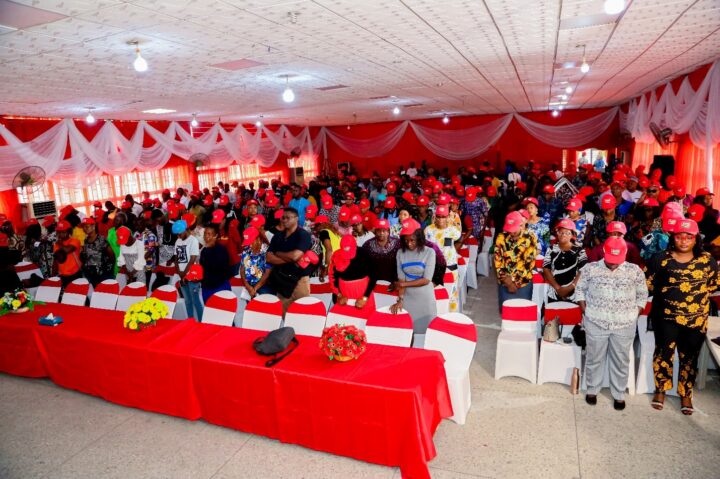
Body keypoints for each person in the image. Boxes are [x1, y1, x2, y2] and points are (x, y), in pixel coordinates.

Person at [645, 219, 718, 415]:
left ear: (696, 239)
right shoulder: (661, 258)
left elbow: (713, 285)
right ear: (673, 238)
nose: (684, 240)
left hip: (695, 320)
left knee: (689, 357)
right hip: (665, 317)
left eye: (689, 236)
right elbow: (649, 284)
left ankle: (685, 393)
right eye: (679, 236)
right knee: (663, 354)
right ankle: (660, 390)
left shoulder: (707, 260)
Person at [575, 237, 648, 410]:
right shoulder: (590, 269)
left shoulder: (635, 270)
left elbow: (642, 294)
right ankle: (592, 389)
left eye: (618, 260)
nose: (614, 265)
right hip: (596, 322)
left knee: (621, 360)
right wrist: (585, 310)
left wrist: (634, 314)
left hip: (624, 325)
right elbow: (580, 289)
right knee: (594, 358)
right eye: (611, 260)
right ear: (604, 253)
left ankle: (618, 394)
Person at [391, 218, 437, 334]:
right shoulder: (400, 253)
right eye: (406, 240)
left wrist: (403, 284)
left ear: (419, 238)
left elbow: (427, 279)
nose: (409, 244)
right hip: (408, 297)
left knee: (427, 331)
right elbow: (401, 278)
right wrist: (401, 299)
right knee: (408, 330)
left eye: (412, 240)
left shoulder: (430, 252)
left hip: (425, 297)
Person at [266, 207, 313, 314]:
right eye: (283, 218)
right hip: (281, 279)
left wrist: (278, 253)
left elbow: (295, 256)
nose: (284, 220)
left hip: (299, 280)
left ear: (296, 218)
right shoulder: (277, 236)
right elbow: (268, 257)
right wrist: (291, 258)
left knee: (303, 312)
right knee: (284, 314)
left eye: (288, 218)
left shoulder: (303, 235)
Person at [493, 211, 537, 307]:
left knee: (522, 314)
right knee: (507, 314)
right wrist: (507, 282)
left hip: (523, 285)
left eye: (514, 229)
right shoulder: (501, 237)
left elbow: (528, 264)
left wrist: (514, 283)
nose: (512, 232)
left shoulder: (530, 238)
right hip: (505, 283)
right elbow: (498, 261)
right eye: (509, 230)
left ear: (521, 225)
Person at [424, 205, 461, 312]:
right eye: (438, 217)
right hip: (434, 267)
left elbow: (459, 240)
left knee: (452, 294)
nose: (440, 220)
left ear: (447, 217)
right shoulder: (428, 230)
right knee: (436, 294)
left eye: (443, 217)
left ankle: (452, 318)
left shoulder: (453, 231)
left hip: (450, 266)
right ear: (435, 216)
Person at [542, 219, 587, 304]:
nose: (563, 235)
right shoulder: (551, 249)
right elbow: (546, 269)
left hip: (574, 294)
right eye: (561, 232)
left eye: (567, 233)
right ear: (557, 234)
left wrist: (571, 287)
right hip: (554, 293)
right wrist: (558, 288)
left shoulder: (580, 250)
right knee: (554, 316)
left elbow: (583, 271)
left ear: (572, 235)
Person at [329, 235, 374, 310]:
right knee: (344, 319)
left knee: (365, 316)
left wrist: (365, 297)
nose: (347, 251)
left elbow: (374, 276)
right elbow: (333, 277)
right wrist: (338, 295)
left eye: (349, 249)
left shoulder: (364, 253)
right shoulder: (336, 255)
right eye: (344, 249)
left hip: (363, 291)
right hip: (344, 292)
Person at [170, 219, 202, 321]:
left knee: (196, 301)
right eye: (177, 235)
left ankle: (201, 322)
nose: (178, 236)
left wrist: (184, 274)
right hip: (181, 275)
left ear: (185, 230)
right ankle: (190, 320)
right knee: (187, 301)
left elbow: (192, 259)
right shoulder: (178, 241)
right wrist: (180, 273)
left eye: (179, 234)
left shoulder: (193, 240)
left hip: (192, 276)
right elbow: (176, 258)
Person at [199, 223, 232, 303]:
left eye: (209, 234)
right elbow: (203, 269)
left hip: (220, 287)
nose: (206, 236)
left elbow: (216, 268)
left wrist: (208, 249)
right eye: (205, 234)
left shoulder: (221, 250)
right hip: (207, 288)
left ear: (216, 236)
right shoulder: (204, 250)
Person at [362, 218, 400, 285]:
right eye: (379, 231)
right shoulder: (367, 244)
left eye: (384, 231)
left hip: (393, 282)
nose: (381, 233)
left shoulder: (397, 243)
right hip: (373, 282)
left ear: (388, 231)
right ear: (375, 231)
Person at [80, 217, 115, 287]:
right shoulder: (86, 240)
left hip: (103, 274)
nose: (84, 229)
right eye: (83, 227)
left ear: (93, 227)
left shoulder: (101, 240)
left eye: (87, 226)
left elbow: (112, 255)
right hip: (91, 274)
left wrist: (108, 270)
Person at [240, 226, 272, 298]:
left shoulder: (267, 252)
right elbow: (242, 269)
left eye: (251, 242)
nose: (249, 245)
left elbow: (267, 274)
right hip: (249, 287)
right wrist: (247, 286)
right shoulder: (246, 250)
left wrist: (255, 289)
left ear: (258, 239)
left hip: (263, 287)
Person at [52, 220, 83, 287]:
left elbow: (66, 250)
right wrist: (53, 276)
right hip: (63, 276)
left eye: (63, 232)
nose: (60, 234)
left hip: (75, 274)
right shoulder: (56, 245)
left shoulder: (75, 241)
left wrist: (59, 244)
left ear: (69, 231)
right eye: (58, 232)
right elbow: (55, 260)